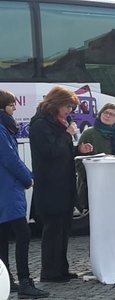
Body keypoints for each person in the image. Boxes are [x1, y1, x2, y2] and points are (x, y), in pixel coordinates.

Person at [29, 86, 93, 282]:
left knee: (64, 229)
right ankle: (50, 272)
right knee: (53, 231)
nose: (70, 111)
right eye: (68, 106)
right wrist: (67, 134)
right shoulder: (40, 123)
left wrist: (78, 149)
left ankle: (61, 269)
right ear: (56, 103)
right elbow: (50, 152)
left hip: (63, 184)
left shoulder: (57, 122)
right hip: (50, 186)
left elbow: (62, 151)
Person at [0, 90, 49, 298]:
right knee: (23, 233)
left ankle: (7, 280)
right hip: (7, 189)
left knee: (2, 236)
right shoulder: (2, 129)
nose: (14, 108)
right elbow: (10, 159)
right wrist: (28, 178)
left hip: (5, 187)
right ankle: (25, 281)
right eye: (11, 105)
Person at [75, 103, 115, 211]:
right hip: (91, 185)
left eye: (112, 114)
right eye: (105, 112)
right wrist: (88, 178)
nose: (107, 116)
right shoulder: (89, 133)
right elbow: (78, 159)